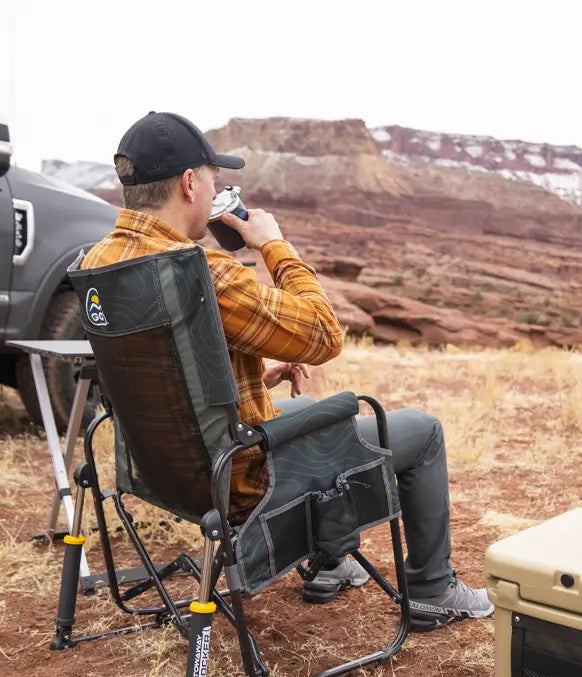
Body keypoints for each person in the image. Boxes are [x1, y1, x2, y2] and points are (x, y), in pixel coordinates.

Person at [81, 112, 492, 631]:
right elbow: (324, 335)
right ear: (189, 183)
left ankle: (330, 562)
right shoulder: (201, 272)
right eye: (213, 180)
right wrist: (273, 244)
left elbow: (162, 371)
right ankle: (433, 591)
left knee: (304, 409)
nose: (216, 192)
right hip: (240, 481)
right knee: (422, 432)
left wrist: (251, 373)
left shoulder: (101, 262)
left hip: (166, 473)